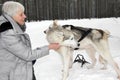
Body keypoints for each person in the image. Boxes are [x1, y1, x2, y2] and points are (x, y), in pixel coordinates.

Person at [0, 1, 60, 80]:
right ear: (12, 16)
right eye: (21, 14)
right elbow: (28, 55)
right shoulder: (7, 33)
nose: (25, 16)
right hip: (14, 76)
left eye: (24, 13)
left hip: (21, 72)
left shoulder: (13, 29)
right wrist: (50, 47)